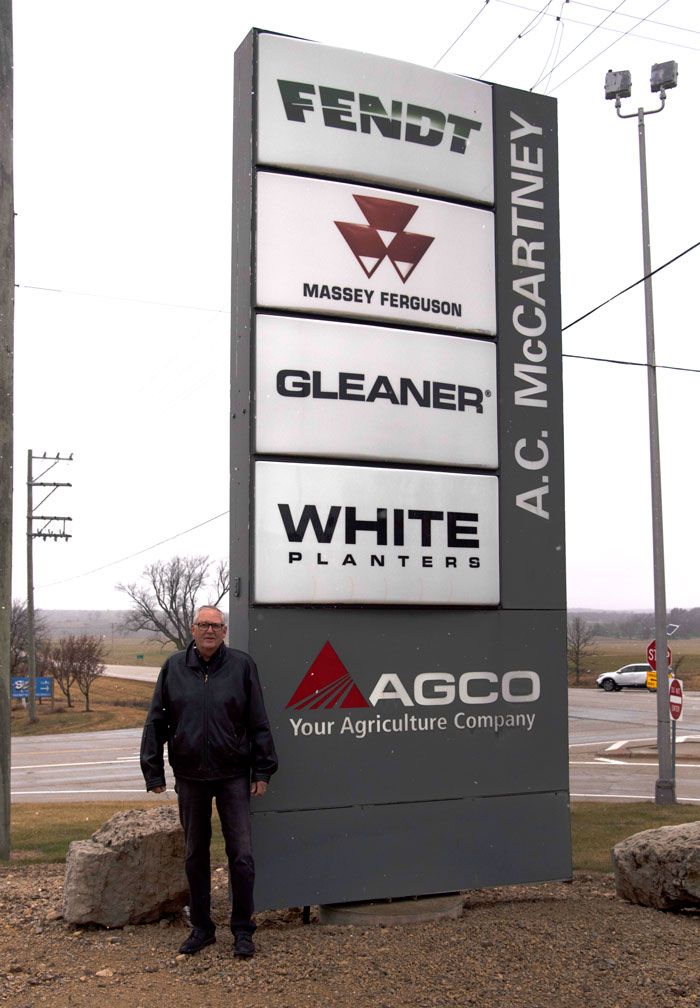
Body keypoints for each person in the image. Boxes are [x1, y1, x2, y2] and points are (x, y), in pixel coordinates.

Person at [140, 605, 278, 958]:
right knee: (195, 855)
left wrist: (262, 770)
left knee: (241, 856)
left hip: (234, 775)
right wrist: (153, 770)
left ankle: (243, 930)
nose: (210, 631)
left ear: (224, 631)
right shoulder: (173, 667)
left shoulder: (242, 666)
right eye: (203, 625)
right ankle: (202, 928)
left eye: (216, 625)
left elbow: (258, 720)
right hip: (190, 778)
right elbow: (156, 721)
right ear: (193, 628)